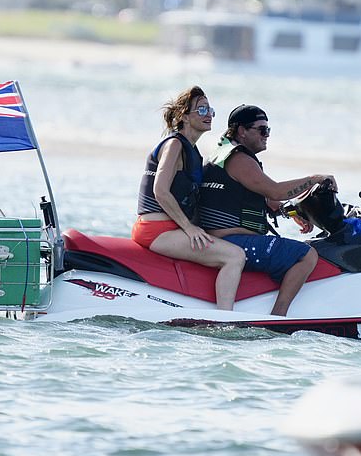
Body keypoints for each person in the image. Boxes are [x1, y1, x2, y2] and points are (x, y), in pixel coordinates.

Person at [198, 104, 337, 317]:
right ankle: (279, 316)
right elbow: (275, 190)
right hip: (233, 241)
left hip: (223, 238)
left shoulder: (222, 153)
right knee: (307, 255)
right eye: (262, 130)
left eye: (268, 131)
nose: (267, 135)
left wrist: (291, 213)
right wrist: (314, 179)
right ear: (242, 131)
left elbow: (264, 198)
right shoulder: (238, 159)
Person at [132, 86, 247, 311]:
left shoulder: (192, 150)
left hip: (168, 229)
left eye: (210, 110)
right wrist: (189, 229)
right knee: (234, 256)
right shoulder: (174, 145)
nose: (208, 115)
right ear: (183, 116)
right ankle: (225, 320)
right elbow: (160, 191)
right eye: (201, 109)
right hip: (156, 231)